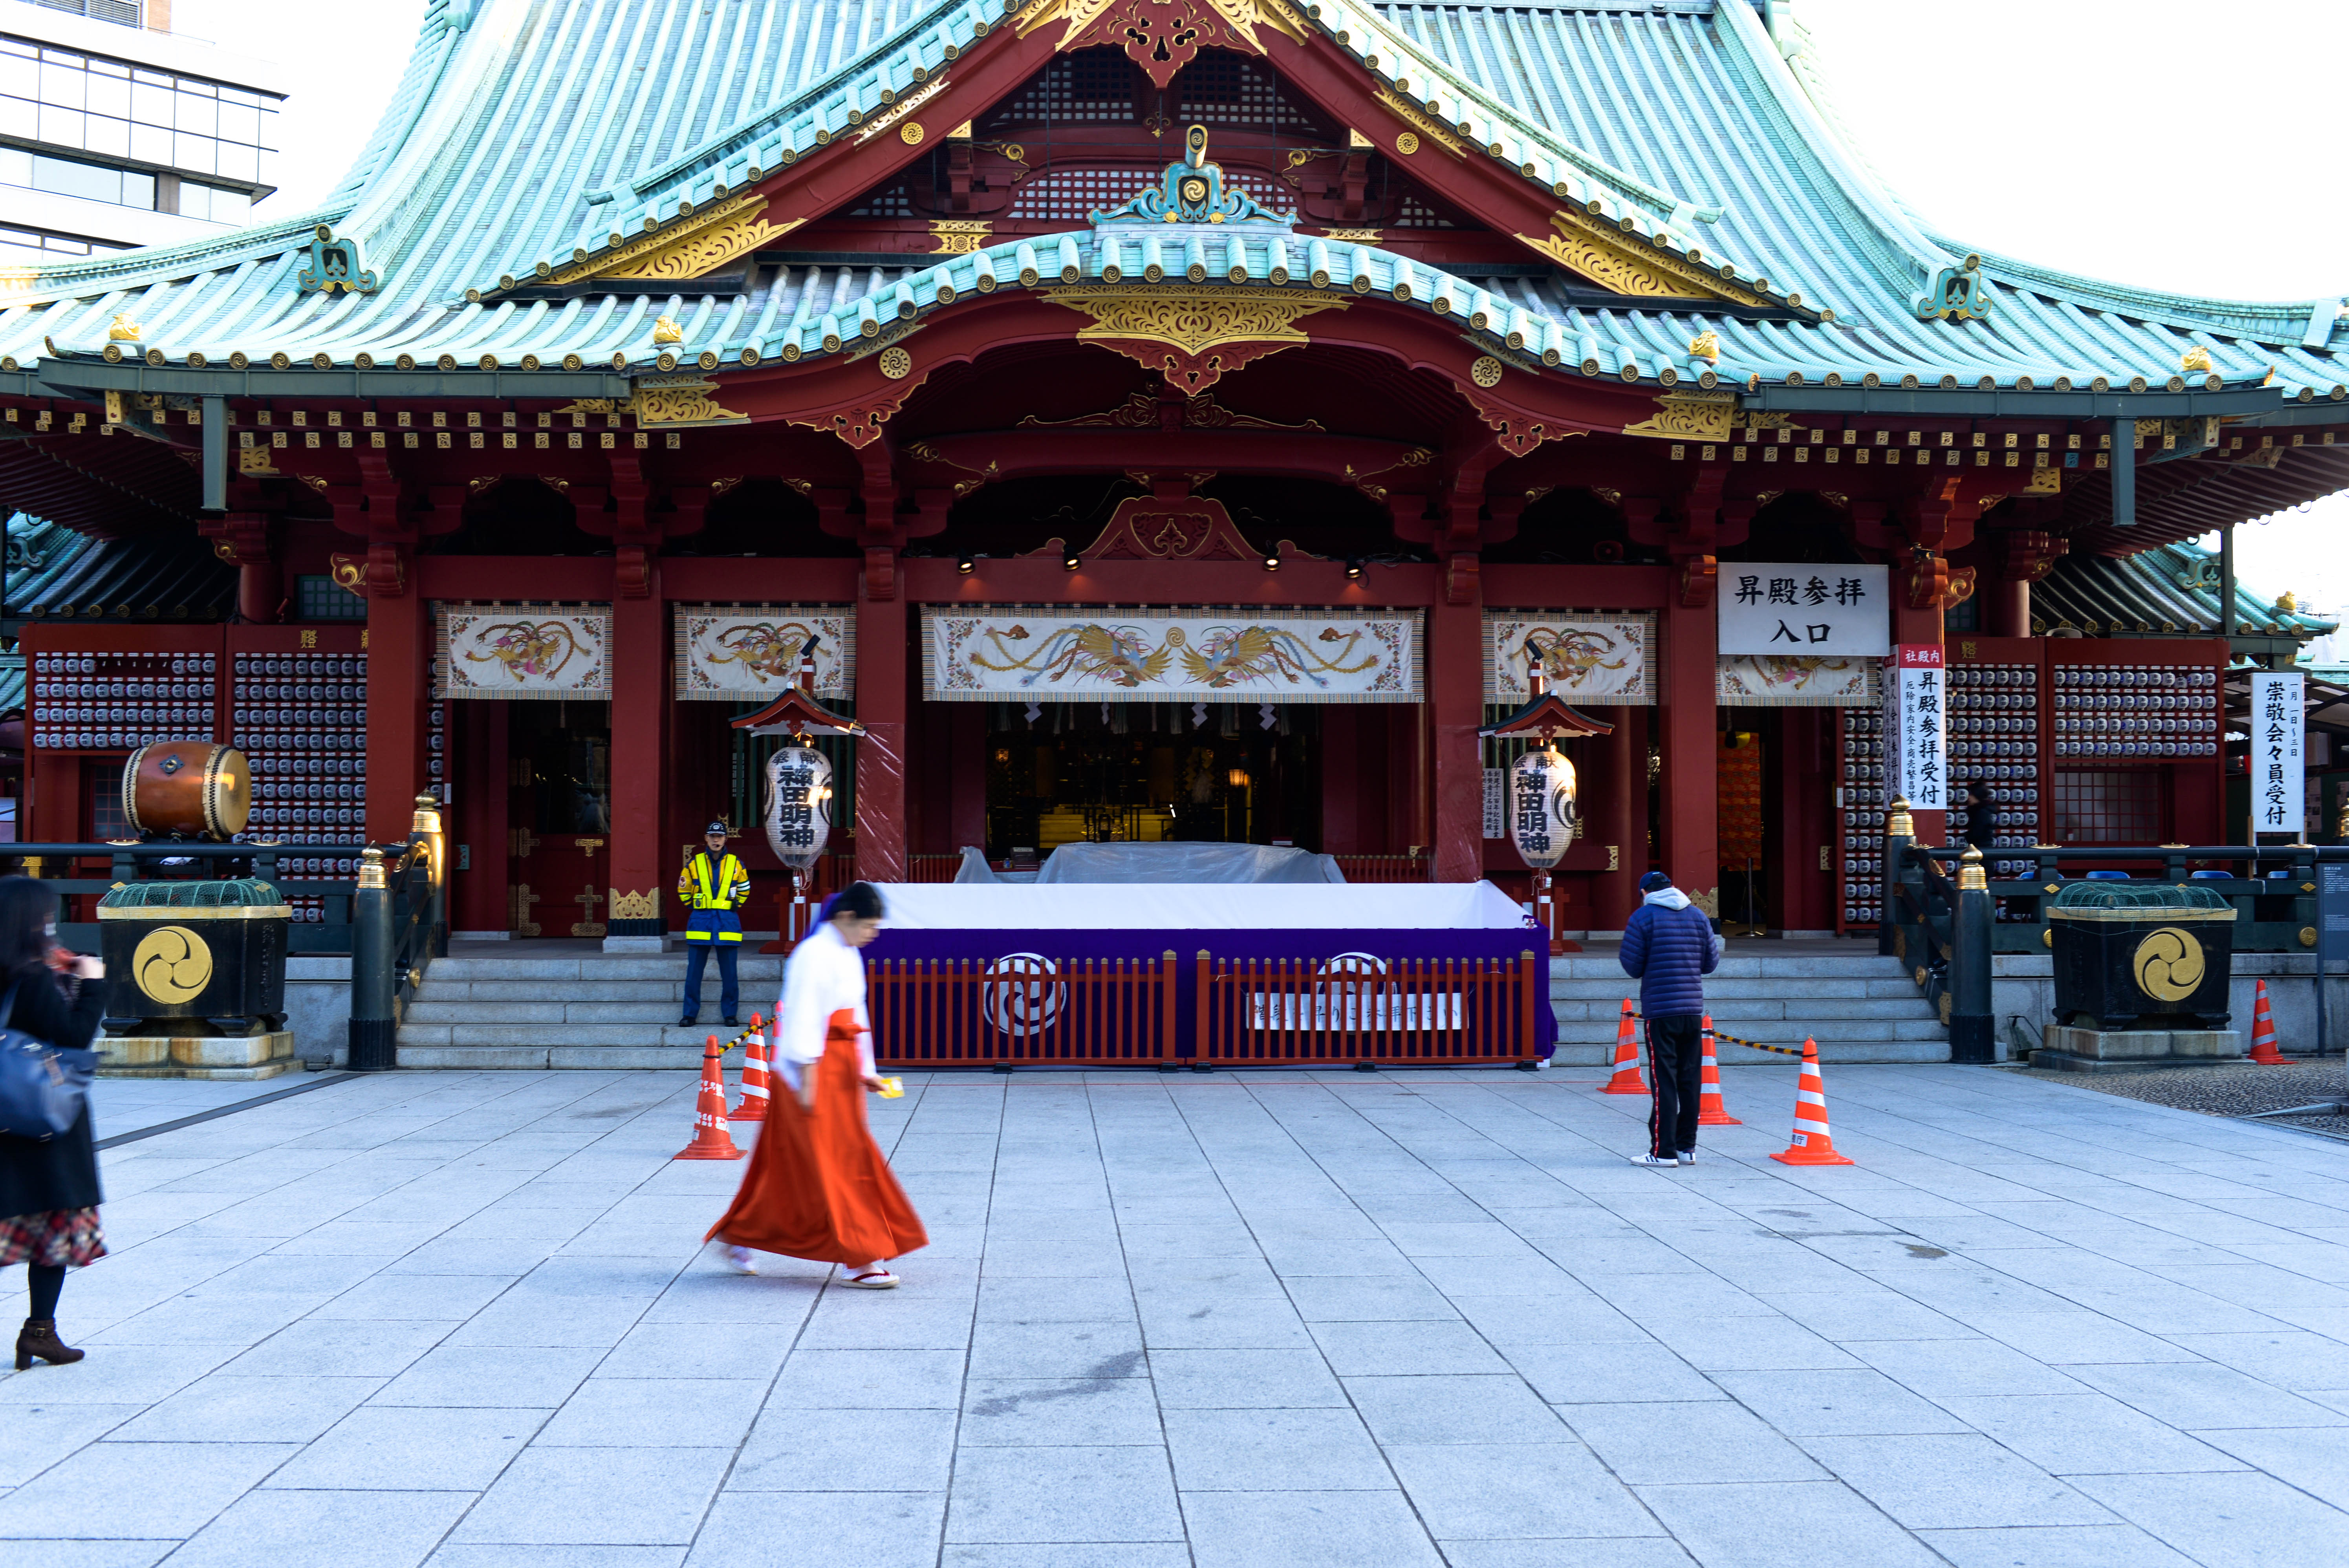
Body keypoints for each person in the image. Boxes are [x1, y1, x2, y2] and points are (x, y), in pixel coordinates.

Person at [704, 881, 926, 1288]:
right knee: (834, 1166)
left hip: (839, 1070)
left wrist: (866, 1069)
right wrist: (807, 1077)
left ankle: (740, 1233)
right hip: (811, 1072)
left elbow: (855, 1015)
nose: (872, 934)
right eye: (869, 925)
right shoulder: (813, 953)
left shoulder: (847, 952)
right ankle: (861, 1258)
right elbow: (803, 1015)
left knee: (803, 1167)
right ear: (846, 917)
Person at [0, 876, 110, 1369]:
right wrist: (92, 982)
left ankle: (41, 1336)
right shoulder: (32, 976)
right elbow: (72, 1037)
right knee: (52, 1227)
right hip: (40, 1120)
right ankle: (39, 1333)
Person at [1618, 870, 1721, 1169]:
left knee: (1664, 1081)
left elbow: (1632, 966)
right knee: (1689, 1079)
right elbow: (1710, 963)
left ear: (1644, 892)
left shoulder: (1642, 917)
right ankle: (1686, 1147)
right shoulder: (1698, 916)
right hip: (1692, 1010)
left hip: (1661, 1010)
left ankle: (1663, 1151)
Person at [678, 820, 752, 1028]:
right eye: (712, 836)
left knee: (730, 975)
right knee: (694, 974)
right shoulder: (694, 864)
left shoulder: (736, 864)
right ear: (706, 839)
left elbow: (745, 888)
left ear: (725, 839)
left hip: (727, 922)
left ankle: (730, 1014)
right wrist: (695, 906)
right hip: (701, 922)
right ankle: (689, 1015)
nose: (716, 840)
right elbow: (684, 889)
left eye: (719, 837)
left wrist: (736, 904)